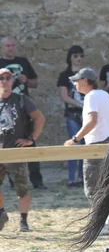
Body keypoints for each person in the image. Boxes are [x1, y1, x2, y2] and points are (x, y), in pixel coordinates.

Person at [63, 68, 109, 234]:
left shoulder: (91, 96)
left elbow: (91, 121)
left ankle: (101, 223)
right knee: (104, 184)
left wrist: (74, 139)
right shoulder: (106, 95)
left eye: (77, 80)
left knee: (92, 188)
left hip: (95, 145)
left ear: (86, 81)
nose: (74, 84)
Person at [0, 68, 46, 232]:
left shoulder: (21, 100)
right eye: (1, 78)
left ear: (12, 81)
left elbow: (39, 118)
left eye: (7, 78)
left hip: (16, 151)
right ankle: (1, 213)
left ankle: (23, 221)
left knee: (22, 189)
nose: (4, 81)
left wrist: (31, 139)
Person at [0, 36, 46, 190]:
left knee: (29, 143)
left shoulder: (23, 62)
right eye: (7, 46)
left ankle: (37, 180)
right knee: (9, 143)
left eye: (13, 45)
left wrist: (25, 80)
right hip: (4, 108)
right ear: (3, 47)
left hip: (23, 108)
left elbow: (35, 83)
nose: (10, 48)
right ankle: (14, 181)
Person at [57, 45, 86, 188]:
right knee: (74, 144)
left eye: (81, 55)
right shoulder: (64, 75)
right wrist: (79, 103)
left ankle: (82, 178)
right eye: (75, 56)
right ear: (70, 58)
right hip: (72, 114)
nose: (78, 58)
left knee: (85, 146)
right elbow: (64, 96)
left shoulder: (86, 74)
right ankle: (71, 179)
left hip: (86, 114)